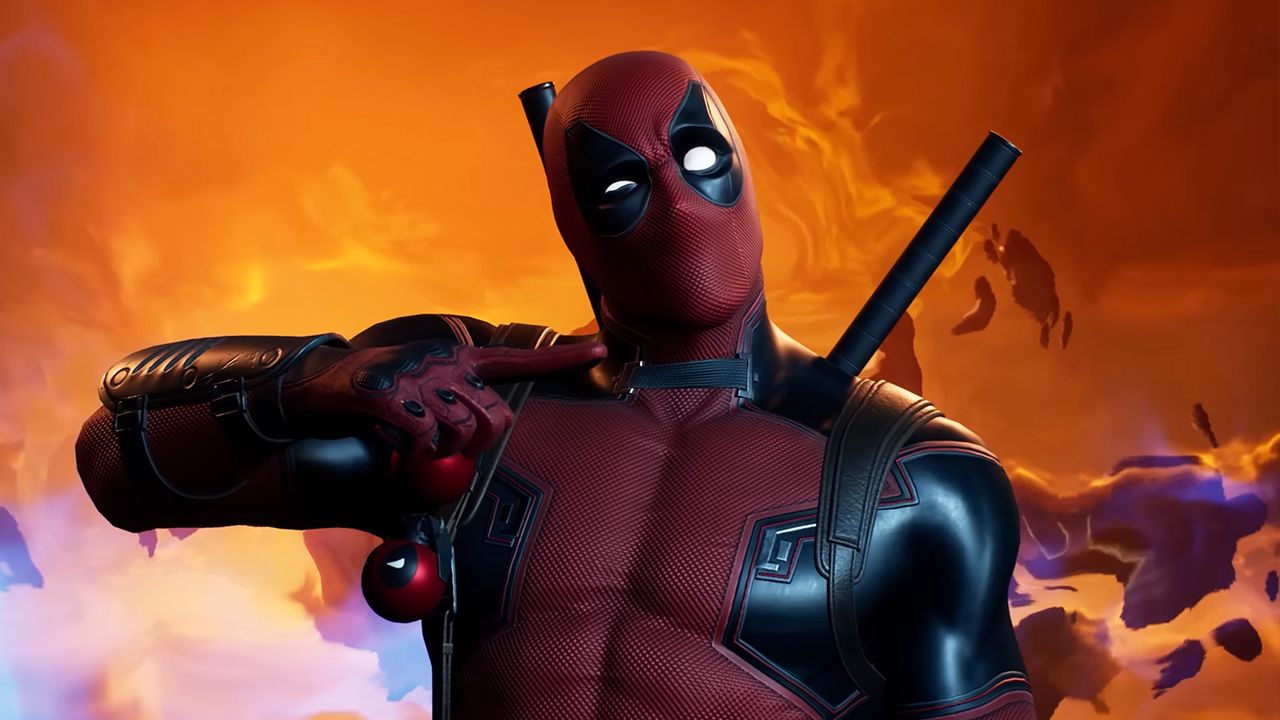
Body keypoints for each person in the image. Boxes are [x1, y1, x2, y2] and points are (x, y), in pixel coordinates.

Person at [76, 51, 1033, 719]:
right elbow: (118, 469)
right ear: (571, 222)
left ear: (745, 170)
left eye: (699, 156)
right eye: (620, 185)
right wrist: (306, 382)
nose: (676, 202)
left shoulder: (915, 479)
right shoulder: (467, 403)